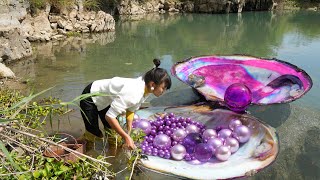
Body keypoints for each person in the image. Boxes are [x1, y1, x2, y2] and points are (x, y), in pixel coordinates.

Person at [80, 59, 171, 150]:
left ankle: (113, 152)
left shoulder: (146, 89)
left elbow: (131, 111)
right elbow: (109, 116)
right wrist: (126, 137)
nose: (164, 91)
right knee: (94, 134)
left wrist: (128, 131)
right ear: (153, 84)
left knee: (112, 133)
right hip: (90, 96)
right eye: (163, 88)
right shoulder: (134, 92)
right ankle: (86, 150)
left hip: (106, 99)